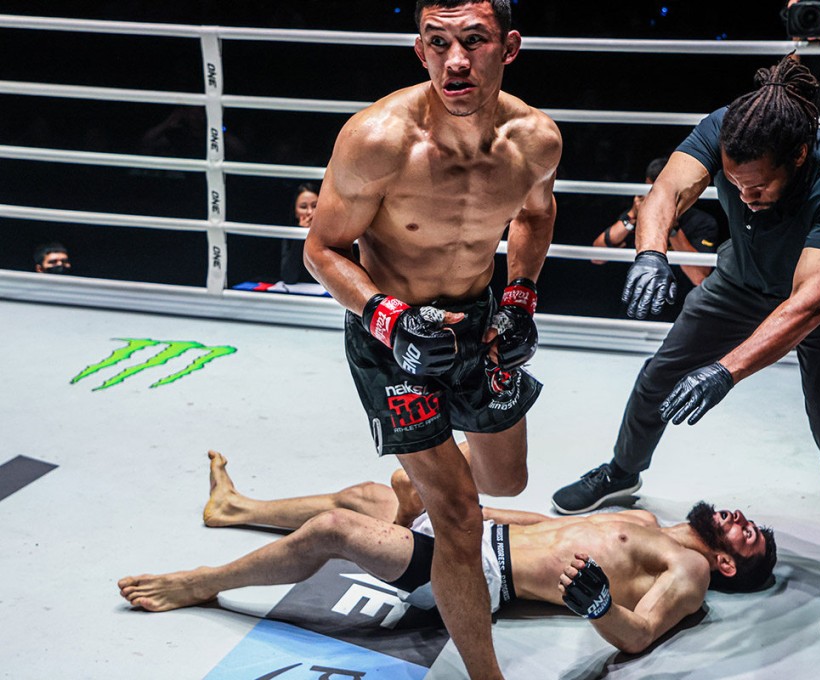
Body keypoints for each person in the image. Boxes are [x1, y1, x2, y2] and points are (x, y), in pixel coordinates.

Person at [552, 55, 820, 642]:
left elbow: (807, 304)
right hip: (742, 281)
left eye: (758, 187)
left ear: (798, 157)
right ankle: (623, 470)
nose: (745, 196)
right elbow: (666, 191)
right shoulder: (728, 125)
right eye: (734, 185)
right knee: (661, 372)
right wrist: (652, 252)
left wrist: (725, 373)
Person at [301, 1, 560, 677]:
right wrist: (390, 319)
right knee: (461, 515)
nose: (455, 61)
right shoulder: (378, 140)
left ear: (509, 47)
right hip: (390, 336)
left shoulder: (536, 140)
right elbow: (321, 250)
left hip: (477, 319)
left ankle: (416, 469)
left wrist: (520, 297)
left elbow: (535, 214)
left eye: (473, 41)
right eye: (438, 42)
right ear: (419, 51)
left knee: (509, 477)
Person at [119, 451, 777, 655]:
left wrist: (600, 605)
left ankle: (201, 584)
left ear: (727, 566)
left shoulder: (687, 571)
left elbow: (637, 635)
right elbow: (545, 521)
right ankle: (238, 510)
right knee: (374, 493)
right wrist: (465, 505)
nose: (746, 522)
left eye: (751, 538)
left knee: (334, 531)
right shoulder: (642, 517)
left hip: (480, 576)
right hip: (480, 534)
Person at [592, 157, 719, 293]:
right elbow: (596, 257)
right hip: (640, 294)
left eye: (661, 192)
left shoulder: (702, 222)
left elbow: (699, 277)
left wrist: (670, 225)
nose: (657, 198)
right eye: (652, 191)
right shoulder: (638, 214)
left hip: (680, 300)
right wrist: (632, 218)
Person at [279, 182, 320, 285]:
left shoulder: (332, 233)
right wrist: (300, 235)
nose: (309, 212)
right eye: (303, 207)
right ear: (295, 212)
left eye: (315, 206)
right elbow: (289, 277)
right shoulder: (289, 235)